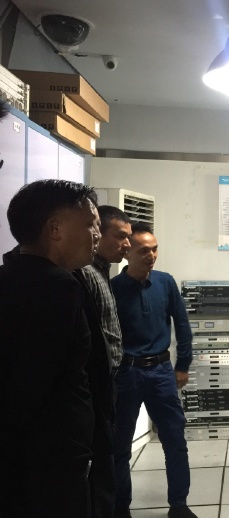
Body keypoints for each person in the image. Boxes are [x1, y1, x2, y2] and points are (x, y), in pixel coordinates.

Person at [0, 179, 101, 518]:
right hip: (50, 459)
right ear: (55, 229)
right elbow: (35, 380)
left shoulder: (10, 276)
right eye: (89, 224)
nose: (96, 235)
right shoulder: (57, 288)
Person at [111, 222, 196, 518]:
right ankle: (121, 506)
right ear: (127, 253)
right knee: (120, 446)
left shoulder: (165, 282)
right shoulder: (113, 289)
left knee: (175, 440)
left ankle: (179, 505)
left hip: (161, 371)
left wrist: (182, 365)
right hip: (127, 373)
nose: (152, 256)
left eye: (155, 249)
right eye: (144, 251)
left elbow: (182, 325)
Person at [74, 205, 133, 518]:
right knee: (104, 458)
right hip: (97, 385)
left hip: (108, 380)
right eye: (120, 236)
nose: (127, 244)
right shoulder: (85, 274)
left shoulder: (100, 271)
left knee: (109, 453)